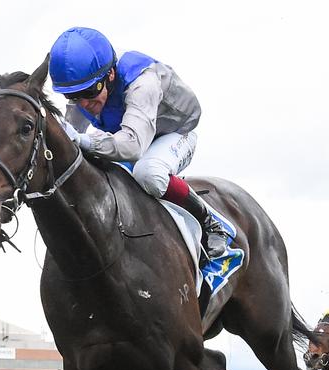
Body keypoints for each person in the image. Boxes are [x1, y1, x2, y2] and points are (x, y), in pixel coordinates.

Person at [49, 27, 228, 261]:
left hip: (174, 133)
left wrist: (83, 140)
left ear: (110, 75)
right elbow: (68, 142)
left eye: (90, 92)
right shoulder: (86, 84)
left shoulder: (142, 83)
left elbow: (132, 147)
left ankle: (210, 221)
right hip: (133, 133)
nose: (84, 103)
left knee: (148, 172)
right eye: (73, 96)